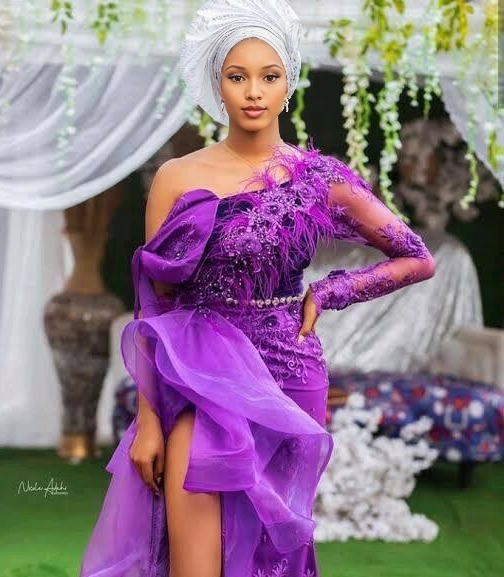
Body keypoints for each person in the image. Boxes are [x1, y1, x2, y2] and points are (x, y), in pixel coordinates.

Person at [79, 1, 436, 576]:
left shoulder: (319, 179)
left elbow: (416, 258)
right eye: (237, 76)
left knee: (272, 555)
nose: (253, 92)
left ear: (288, 82)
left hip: (287, 374)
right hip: (198, 374)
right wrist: (148, 422)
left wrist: (330, 293)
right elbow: (153, 303)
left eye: (269, 76)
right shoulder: (176, 177)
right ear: (216, 83)